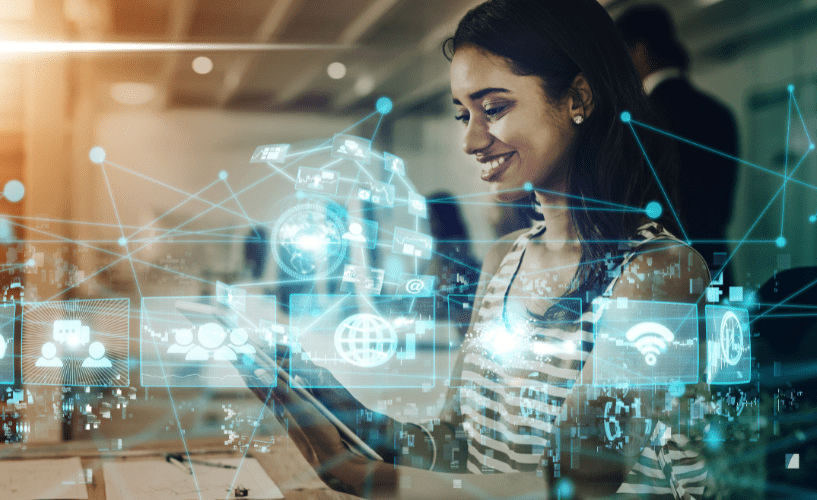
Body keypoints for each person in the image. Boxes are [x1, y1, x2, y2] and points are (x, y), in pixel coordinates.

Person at [244, 1, 712, 498]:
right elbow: (457, 445)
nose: (470, 140)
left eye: (493, 109)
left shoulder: (661, 272)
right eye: (463, 114)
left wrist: (370, 480)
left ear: (579, 97)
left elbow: (579, 482)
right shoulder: (503, 261)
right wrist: (343, 412)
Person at [616, 5, 739, 287]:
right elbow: (723, 208)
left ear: (639, 51)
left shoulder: (637, 121)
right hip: (718, 268)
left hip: (662, 277)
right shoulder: (721, 113)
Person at [423, 192, 482, 338]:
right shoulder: (437, 258)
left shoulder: (457, 263)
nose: (425, 224)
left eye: (429, 218)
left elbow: (460, 314)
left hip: (454, 338)